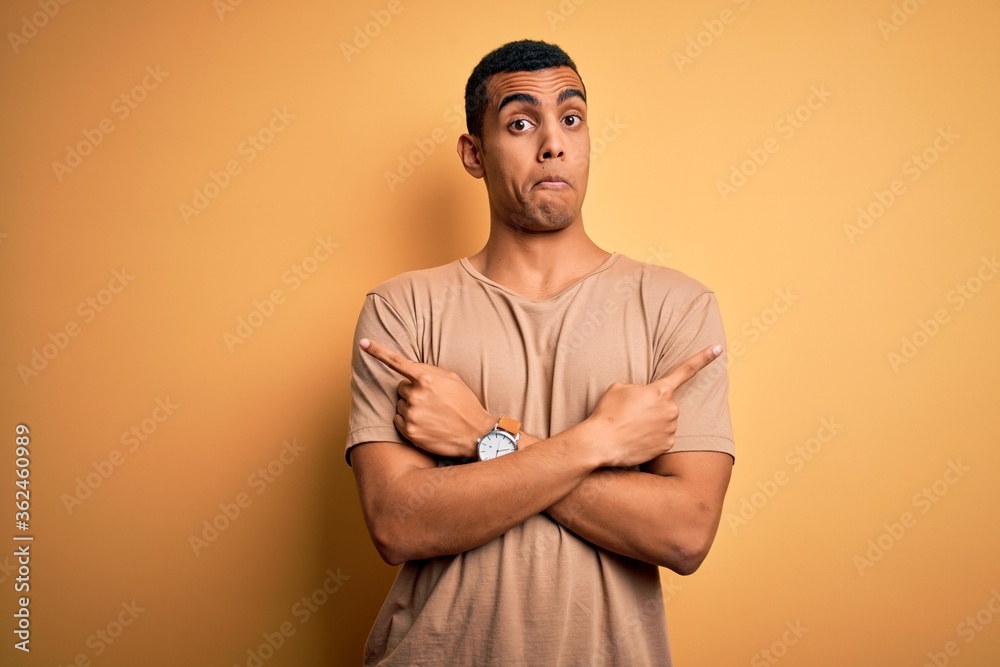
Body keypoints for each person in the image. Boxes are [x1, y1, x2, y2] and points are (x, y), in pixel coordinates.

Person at [345, 39, 735, 666]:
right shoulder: (401, 310)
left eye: (571, 119)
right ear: (474, 154)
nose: (553, 143)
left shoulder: (675, 306)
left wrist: (482, 434)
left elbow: (685, 533)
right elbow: (398, 525)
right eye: (521, 122)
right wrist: (600, 443)